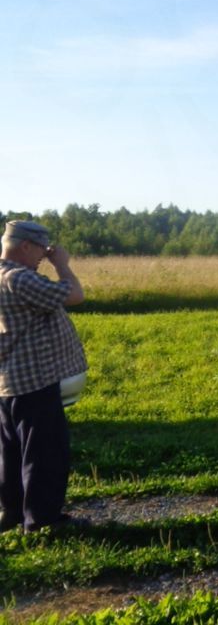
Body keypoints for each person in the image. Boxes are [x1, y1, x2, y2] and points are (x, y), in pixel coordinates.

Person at [0, 220, 87, 532]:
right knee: (44, 454)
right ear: (25, 246)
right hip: (35, 381)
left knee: (12, 454)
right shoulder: (19, 278)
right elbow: (75, 294)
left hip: (9, 383)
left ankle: (12, 515)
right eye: (41, 248)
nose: (44, 255)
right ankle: (43, 522)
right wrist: (62, 265)